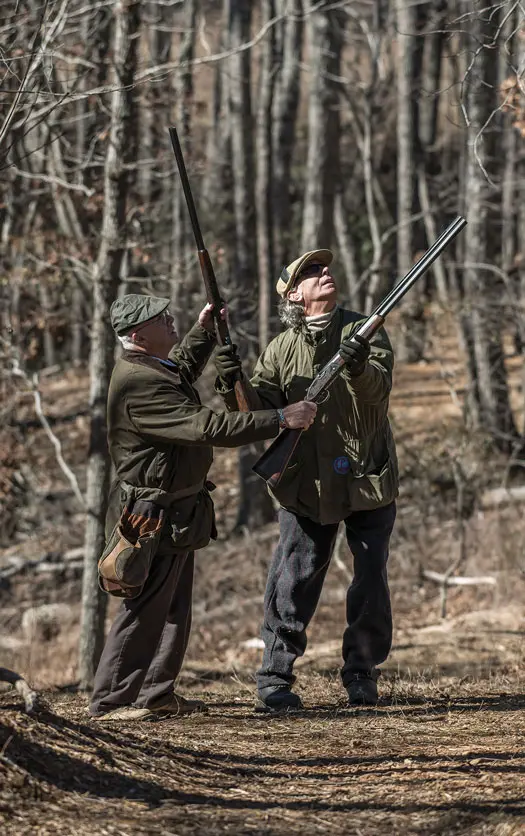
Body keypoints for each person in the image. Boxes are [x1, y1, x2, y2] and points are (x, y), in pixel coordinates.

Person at [90, 293, 316, 722]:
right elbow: (206, 426)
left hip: (174, 512)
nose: (172, 322)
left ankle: (156, 694)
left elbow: (182, 372)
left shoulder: (151, 368)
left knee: (173, 608)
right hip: (149, 515)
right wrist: (280, 419)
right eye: (163, 319)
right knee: (145, 608)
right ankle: (110, 703)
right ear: (139, 335)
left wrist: (204, 331)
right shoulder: (137, 382)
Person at [214, 250, 399, 710]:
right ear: (293, 294)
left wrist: (356, 366)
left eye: (324, 267)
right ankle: (274, 677)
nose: (324, 273)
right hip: (305, 484)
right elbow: (255, 413)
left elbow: (378, 396)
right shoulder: (279, 349)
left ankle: (361, 673)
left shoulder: (364, 329)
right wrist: (229, 377)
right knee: (293, 578)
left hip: (365, 475)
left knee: (371, 579)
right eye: (310, 272)